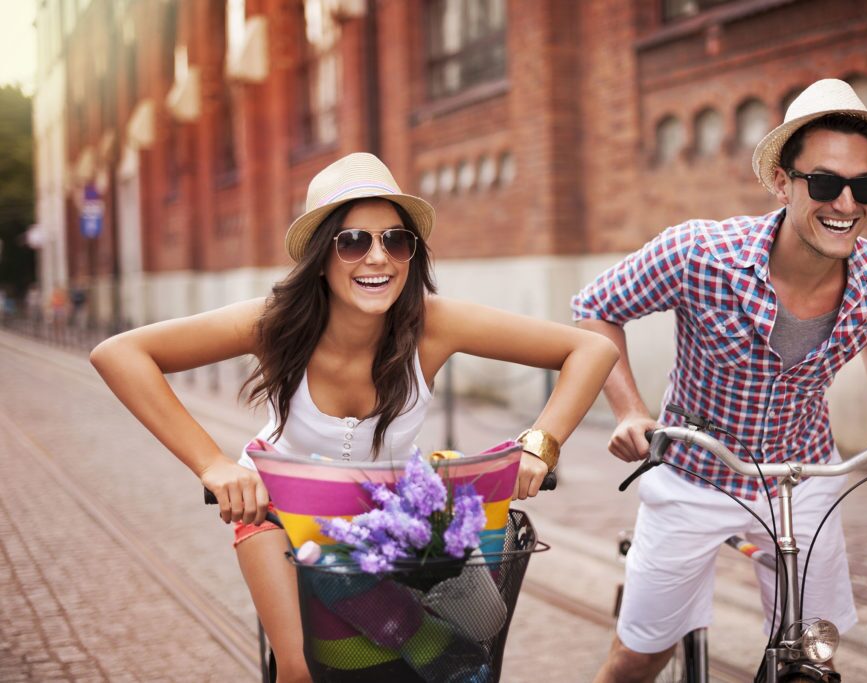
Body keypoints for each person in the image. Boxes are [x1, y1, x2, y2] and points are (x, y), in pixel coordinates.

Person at [91, 152, 619, 683]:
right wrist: (213, 465)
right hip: (280, 514)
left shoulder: (431, 323)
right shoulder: (274, 322)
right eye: (353, 241)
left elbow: (590, 352)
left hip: (392, 522)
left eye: (395, 240)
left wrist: (539, 443)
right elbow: (120, 354)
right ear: (322, 255)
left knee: (480, 630)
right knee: (300, 673)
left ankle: (419, 636)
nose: (378, 258)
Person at [572, 79, 867, 682]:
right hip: (694, 473)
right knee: (638, 657)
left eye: (864, 185)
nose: (846, 204)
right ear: (782, 182)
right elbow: (595, 309)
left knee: (812, 651)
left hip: (803, 474)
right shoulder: (699, 253)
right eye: (824, 183)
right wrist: (631, 411)